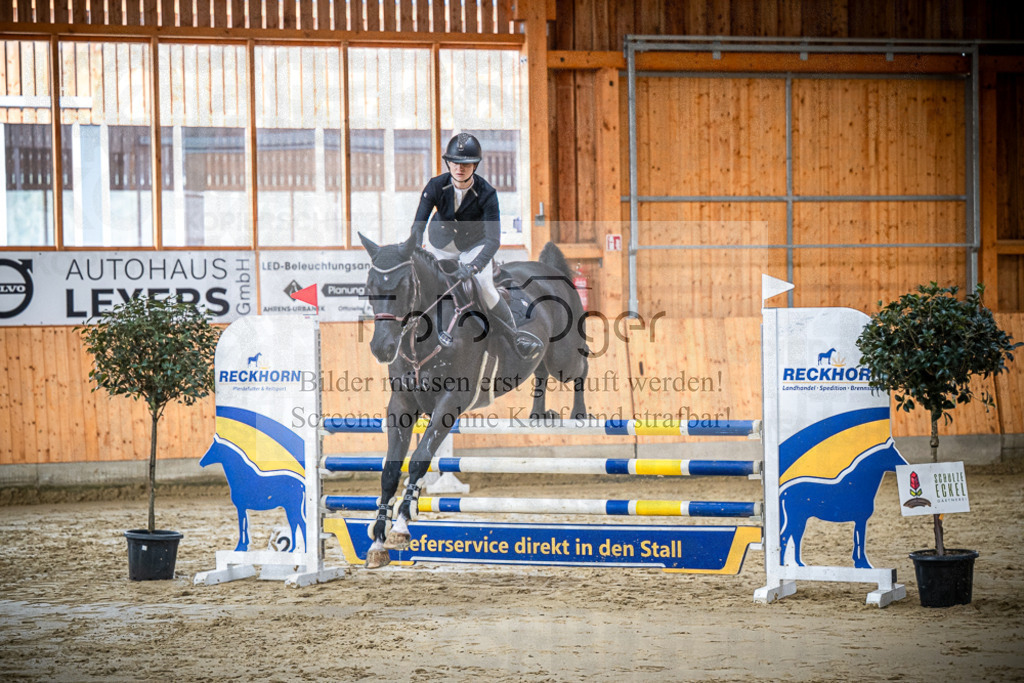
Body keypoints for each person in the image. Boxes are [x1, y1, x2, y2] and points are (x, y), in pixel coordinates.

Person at [410, 133, 542, 360]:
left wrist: (474, 267)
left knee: (485, 286)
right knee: (422, 280)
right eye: (454, 162)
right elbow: (418, 225)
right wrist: (415, 251)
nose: (459, 168)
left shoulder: (487, 193)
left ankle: (514, 338)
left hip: (474, 245)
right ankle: (403, 333)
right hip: (439, 244)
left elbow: (493, 240)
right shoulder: (434, 186)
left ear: (474, 165)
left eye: (466, 163)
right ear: (448, 163)